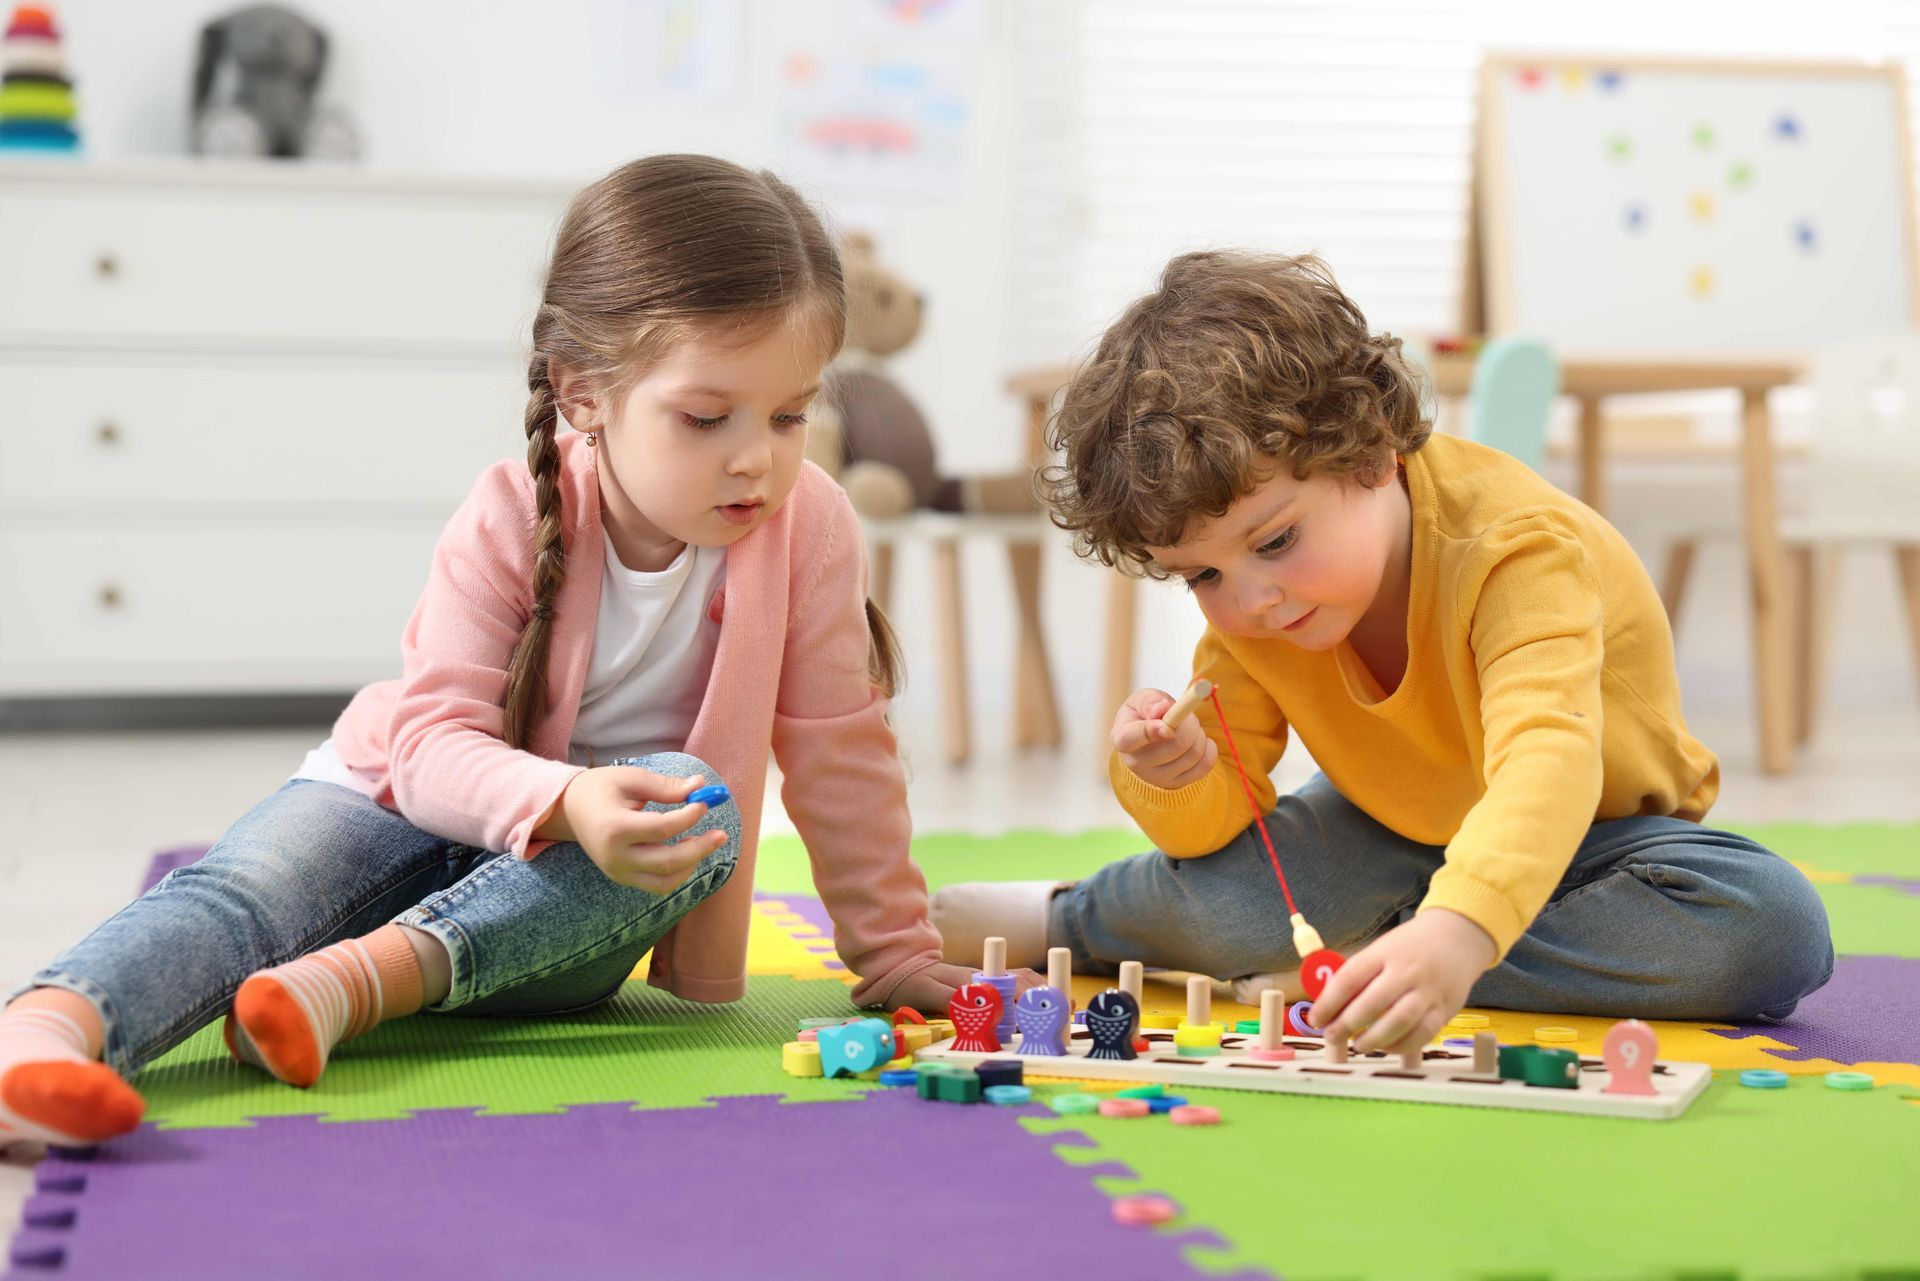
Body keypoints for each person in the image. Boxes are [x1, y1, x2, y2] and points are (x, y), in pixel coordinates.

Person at [0, 154, 1004, 1149]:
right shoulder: (509, 514)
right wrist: (563, 800)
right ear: (583, 395)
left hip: (541, 914)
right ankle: (44, 1033)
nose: (759, 456)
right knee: (245, 896)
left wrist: (894, 955)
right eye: (708, 418)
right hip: (388, 800)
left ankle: (360, 981)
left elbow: (842, 753)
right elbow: (430, 747)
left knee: (695, 803)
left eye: (791, 415)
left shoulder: (810, 526)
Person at [931, 250, 1832, 1057]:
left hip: (1595, 841)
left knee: (1770, 927)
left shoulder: (1517, 551)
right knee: (1245, 898)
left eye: (1276, 542)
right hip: (1385, 831)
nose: (1249, 598)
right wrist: (1174, 775)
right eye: (1200, 574)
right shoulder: (1254, 615)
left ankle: (1375, 962)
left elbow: (1547, 766)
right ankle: (1070, 915)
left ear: (1374, 451)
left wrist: (1460, 933)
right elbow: (1214, 826)